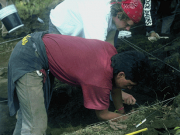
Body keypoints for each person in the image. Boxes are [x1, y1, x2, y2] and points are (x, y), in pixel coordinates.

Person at [8, 31, 150, 135]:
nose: (130, 88)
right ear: (121, 74)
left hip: (35, 43)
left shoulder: (111, 53)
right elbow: (102, 114)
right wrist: (127, 118)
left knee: (26, 119)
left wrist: (121, 111)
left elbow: (115, 87)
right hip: (30, 57)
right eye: (130, 84)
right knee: (36, 127)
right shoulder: (98, 80)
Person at [49, 0, 143, 47]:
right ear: (119, 15)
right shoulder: (99, 16)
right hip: (61, 22)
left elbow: (109, 44)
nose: (128, 29)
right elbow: (97, 50)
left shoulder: (115, 16)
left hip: (82, 25)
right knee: (56, 62)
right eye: (127, 25)